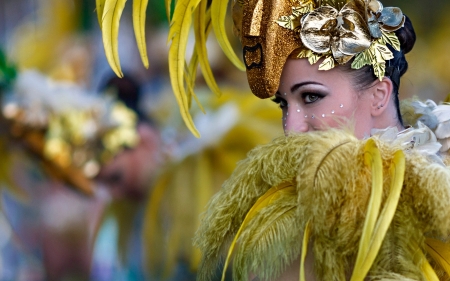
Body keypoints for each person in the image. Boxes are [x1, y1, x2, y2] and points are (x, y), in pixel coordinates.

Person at [190, 0, 450, 280]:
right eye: (283, 104)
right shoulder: (289, 225)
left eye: (311, 96)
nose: (291, 128)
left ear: (379, 95)